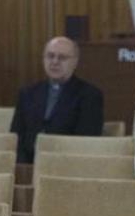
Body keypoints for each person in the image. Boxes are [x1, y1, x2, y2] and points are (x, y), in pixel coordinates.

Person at [10, 36, 104, 164]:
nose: (55, 61)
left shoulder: (90, 95)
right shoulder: (28, 93)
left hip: (69, 165)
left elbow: (87, 141)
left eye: (62, 57)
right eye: (50, 56)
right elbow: (16, 137)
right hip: (28, 165)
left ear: (75, 62)